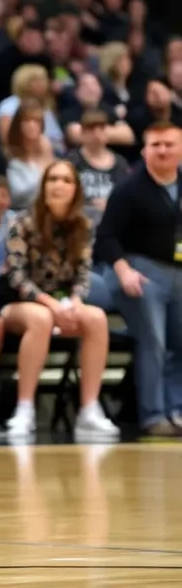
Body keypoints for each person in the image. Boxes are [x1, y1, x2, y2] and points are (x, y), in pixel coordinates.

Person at [0, 160, 119, 441]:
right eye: (52, 179)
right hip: (18, 304)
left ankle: (89, 409)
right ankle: (24, 408)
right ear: (44, 186)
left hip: (62, 302)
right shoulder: (22, 222)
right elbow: (16, 277)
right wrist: (51, 304)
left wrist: (75, 301)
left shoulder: (83, 226)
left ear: (75, 189)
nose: (58, 185)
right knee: (41, 318)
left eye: (66, 180)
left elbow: (83, 274)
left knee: (96, 318)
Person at [95, 122, 182, 436]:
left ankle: (177, 411)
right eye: (155, 144)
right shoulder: (128, 189)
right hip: (140, 271)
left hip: (177, 272)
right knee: (153, 343)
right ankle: (153, 416)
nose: (162, 150)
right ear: (144, 150)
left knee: (179, 345)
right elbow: (105, 237)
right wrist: (123, 270)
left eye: (169, 144)